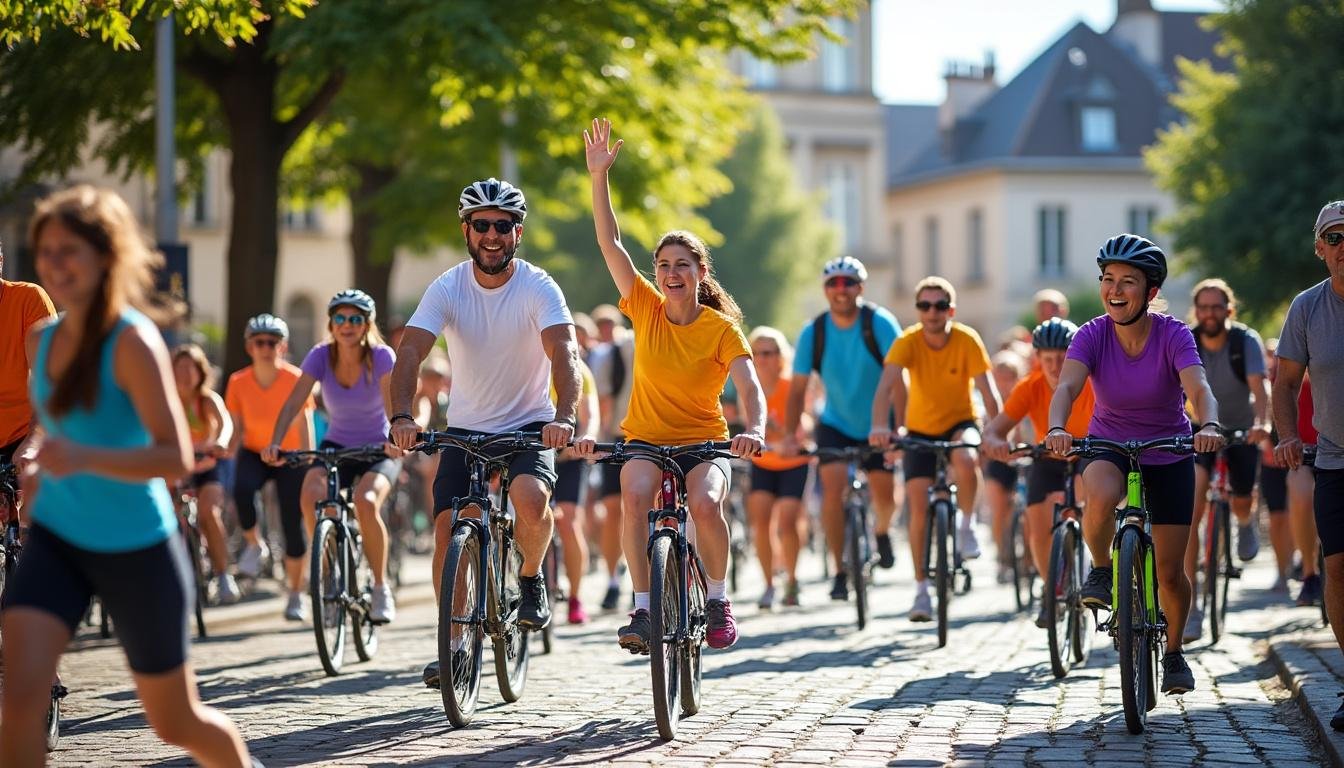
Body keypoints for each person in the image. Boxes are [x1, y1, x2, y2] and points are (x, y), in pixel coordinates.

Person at [0, 185, 252, 766]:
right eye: (47, 250)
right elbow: (53, 427)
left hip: (135, 544)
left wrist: (84, 458)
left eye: (71, 251)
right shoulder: (43, 337)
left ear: (106, 256)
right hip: (59, 541)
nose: (56, 264)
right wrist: (36, 460)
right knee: (20, 700)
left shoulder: (132, 340)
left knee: (176, 721)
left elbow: (172, 456)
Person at [579, 118, 764, 652]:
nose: (671, 273)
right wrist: (598, 177)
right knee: (633, 498)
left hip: (705, 442)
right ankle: (641, 608)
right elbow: (610, 241)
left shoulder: (721, 328)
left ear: (700, 272)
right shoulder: (645, 308)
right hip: (645, 438)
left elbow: (748, 382)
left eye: (682, 264)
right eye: (663, 265)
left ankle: (718, 598)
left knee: (705, 506)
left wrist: (755, 427)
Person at [388, 176, 579, 689]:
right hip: (466, 428)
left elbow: (564, 352)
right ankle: (452, 645)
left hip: (529, 424)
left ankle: (531, 576)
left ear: (518, 232)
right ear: (466, 229)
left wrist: (565, 417)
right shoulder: (448, 286)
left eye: (502, 225)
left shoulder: (538, 285)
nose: (491, 235)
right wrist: (402, 416)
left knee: (532, 500)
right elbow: (410, 351)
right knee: (449, 527)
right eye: (481, 225)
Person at [1045, 233, 1224, 696]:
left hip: (1169, 449)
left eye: (1128, 281)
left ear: (1151, 292)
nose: (1115, 289)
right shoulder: (1091, 334)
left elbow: (1198, 387)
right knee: (1101, 495)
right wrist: (1057, 427)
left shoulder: (1174, 334)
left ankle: (1176, 652)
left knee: (1169, 571)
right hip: (1109, 444)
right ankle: (1103, 569)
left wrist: (1209, 424)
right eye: (1108, 279)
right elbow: (1066, 387)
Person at [263, 289, 401, 624]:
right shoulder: (320, 356)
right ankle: (327, 570)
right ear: (331, 324)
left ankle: (381, 587)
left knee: (366, 502)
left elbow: (392, 404)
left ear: (366, 325)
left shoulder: (382, 356)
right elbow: (295, 402)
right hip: (336, 446)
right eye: (340, 318)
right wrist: (276, 442)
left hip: (378, 448)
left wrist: (397, 436)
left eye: (355, 319)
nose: (347, 325)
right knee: (310, 495)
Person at [871, 275, 999, 622]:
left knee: (966, 454)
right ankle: (921, 590)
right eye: (925, 306)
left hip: (961, 422)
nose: (932, 312)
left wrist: (996, 433)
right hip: (919, 430)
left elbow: (988, 392)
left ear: (951, 310)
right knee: (916, 505)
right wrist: (880, 426)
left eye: (940, 306)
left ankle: (967, 525)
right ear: (917, 310)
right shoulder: (908, 342)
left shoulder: (967, 339)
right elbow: (885, 387)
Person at [781, 256, 901, 602]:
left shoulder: (879, 323)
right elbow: (798, 388)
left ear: (860, 288)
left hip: (879, 423)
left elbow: (899, 379)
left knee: (885, 496)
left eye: (848, 282)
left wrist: (900, 427)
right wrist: (791, 434)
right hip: (834, 422)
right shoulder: (814, 332)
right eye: (833, 284)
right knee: (832, 491)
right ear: (825, 290)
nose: (841, 290)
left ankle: (881, 531)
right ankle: (839, 570)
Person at [1273, 200, 1344, 730]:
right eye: (1335, 238)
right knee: (1338, 570)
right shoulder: (1308, 308)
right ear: (1321, 248)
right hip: (1335, 460)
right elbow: (1285, 382)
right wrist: (1289, 436)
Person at [982, 318, 1095, 628]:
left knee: (1093, 502)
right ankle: (1052, 587)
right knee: (1036, 520)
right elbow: (997, 428)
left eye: (1063, 358)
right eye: (1048, 360)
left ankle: (1096, 567)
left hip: (1090, 455)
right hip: (1047, 456)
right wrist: (995, 443)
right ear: (1037, 359)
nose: (1056, 366)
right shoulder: (1030, 385)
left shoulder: (1093, 382)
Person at [1181, 278, 1271, 641]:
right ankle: (1190, 605)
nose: (1209, 314)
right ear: (1196, 310)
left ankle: (1245, 522)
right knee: (1190, 510)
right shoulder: (1187, 340)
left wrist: (1263, 423)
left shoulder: (1244, 341)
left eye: (1217, 307)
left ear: (1228, 310)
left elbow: (1260, 387)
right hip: (1199, 429)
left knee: (1242, 498)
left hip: (1239, 429)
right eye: (1203, 307)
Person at [224, 313, 315, 621]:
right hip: (254, 451)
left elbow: (303, 421)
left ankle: (294, 594)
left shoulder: (295, 377)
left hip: (289, 456)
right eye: (259, 342)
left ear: (282, 346)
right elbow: (235, 427)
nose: (265, 347)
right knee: (241, 490)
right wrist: (224, 451)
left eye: (272, 342)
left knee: (292, 524)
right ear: (249, 347)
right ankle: (255, 545)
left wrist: (309, 456)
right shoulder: (237, 381)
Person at [746, 326, 812, 609]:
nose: (762, 358)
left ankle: (793, 579)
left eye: (768, 353)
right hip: (762, 462)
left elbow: (805, 425)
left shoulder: (789, 387)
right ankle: (768, 584)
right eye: (757, 353)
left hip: (792, 462)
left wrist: (785, 433)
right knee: (761, 522)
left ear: (780, 357)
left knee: (787, 521)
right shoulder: (748, 388)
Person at [171, 343, 240, 605]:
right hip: (180, 468)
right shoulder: (167, 400)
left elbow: (225, 423)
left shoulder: (207, 400)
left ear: (201, 373)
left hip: (210, 466)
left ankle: (224, 576)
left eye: (191, 368)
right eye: (180, 368)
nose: (185, 375)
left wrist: (220, 442)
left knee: (208, 512)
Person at [0, 237, 57, 516]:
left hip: (26, 430)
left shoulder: (28, 299)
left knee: (32, 523)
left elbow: (49, 378)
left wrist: (33, 439)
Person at [589, 302, 635, 610]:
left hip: (625, 437)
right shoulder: (617, 350)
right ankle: (620, 581)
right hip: (627, 437)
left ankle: (624, 581)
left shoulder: (614, 350)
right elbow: (604, 399)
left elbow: (603, 401)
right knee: (624, 512)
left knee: (621, 512)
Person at [551, 353, 599, 624]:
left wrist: (586, 438)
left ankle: (576, 597)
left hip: (570, 454)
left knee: (568, 522)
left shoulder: (579, 367)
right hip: (535, 450)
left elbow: (590, 414)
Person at [983, 349, 1027, 586]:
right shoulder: (990, 406)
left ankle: (1027, 560)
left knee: (1027, 513)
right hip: (998, 465)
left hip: (1024, 462)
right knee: (998, 511)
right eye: (998, 378)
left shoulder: (1025, 399)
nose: (1003, 383)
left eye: (1008, 377)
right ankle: (1002, 557)